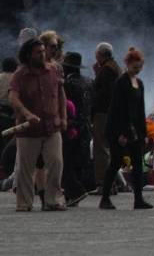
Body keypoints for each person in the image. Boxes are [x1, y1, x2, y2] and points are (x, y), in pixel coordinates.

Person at [8, 38, 67, 211]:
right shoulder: (20, 74)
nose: (43, 55)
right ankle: (24, 203)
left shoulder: (53, 70)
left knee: (56, 162)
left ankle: (52, 200)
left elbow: (61, 94)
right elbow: (13, 97)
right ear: (28, 55)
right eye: (38, 52)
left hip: (52, 126)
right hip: (29, 129)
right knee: (26, 168)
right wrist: (26, 114)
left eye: (43, 51)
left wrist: (64, 117)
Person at [99, 47, 153, 210]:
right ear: (128, 64)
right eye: (135, 67)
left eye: (140, 67)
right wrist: (121, 133)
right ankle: (105, 198)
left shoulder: (140, 83)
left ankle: (138, 199)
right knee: (116, 162)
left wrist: (144, 132)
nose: (138, 70)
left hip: (135, 128)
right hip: (119, 128)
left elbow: (141, 109)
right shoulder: (121, 82)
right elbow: (117, 109)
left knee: (137, 163)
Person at [60, 51, 93, 205]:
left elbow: (65, 106)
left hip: (71, 127)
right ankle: (72, 196)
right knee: (79, 160)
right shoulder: (89, 82)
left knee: (66, 161)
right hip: (86, 126)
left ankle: (76, 191)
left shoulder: (67, 84)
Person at [91, 42, 120, 194]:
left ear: (100, 55)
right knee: (108, 148)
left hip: (103, 113)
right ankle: (111, 183)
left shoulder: (107, 70)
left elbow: (104, 93)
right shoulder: (113, 67)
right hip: (110, 112)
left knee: (101, 148)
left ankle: (103, 183)